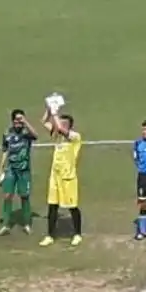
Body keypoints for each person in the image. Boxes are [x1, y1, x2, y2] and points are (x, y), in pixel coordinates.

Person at [41, 99, 83, 246]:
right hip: (55, 177)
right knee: (52, 205)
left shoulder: (75, 137)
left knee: (72, 207)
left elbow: (62, 129)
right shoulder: (57, 136)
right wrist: (49, 108)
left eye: (65, 124)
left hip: (68, 178)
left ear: (70, 126)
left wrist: (55, 113)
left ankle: (77, 234)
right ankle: (50, 235)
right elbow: (44, 121)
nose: (61, 126)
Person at [0, 110, 36, 235]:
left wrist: (26, 122)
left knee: (24, 196)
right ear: (12, 120)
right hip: (11, 169)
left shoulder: (26, 133)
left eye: (21, 119)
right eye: (17, 120)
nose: (19, 122)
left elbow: (35, 135)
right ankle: (6, 224)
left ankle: (27, 224)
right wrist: (0, 169)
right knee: (7, 195)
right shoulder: (7, 133)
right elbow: (5, 151)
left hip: (24, 169)